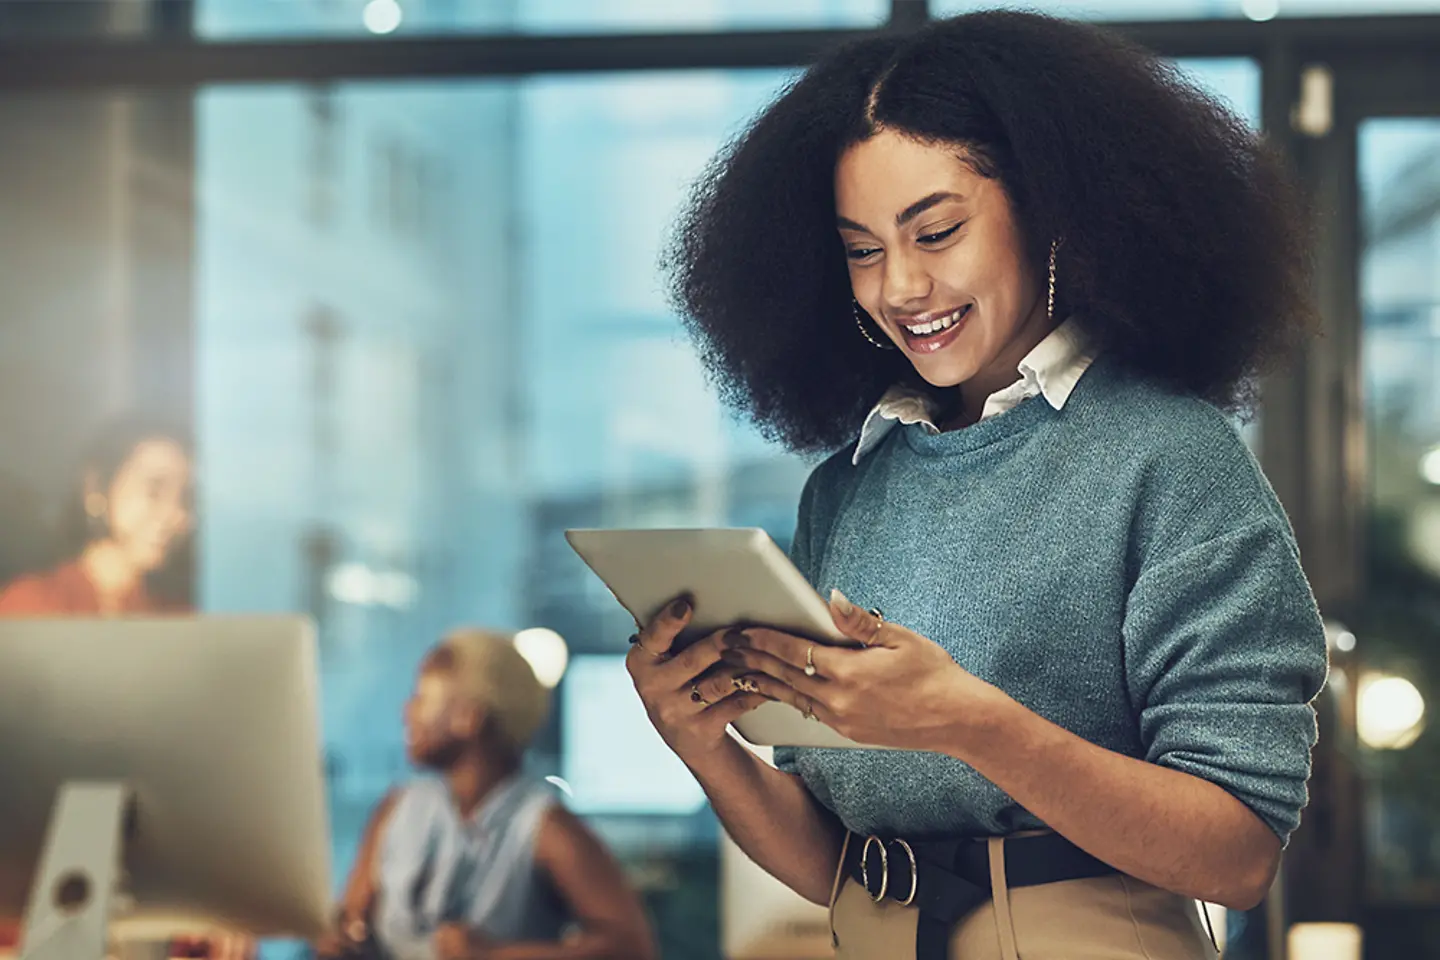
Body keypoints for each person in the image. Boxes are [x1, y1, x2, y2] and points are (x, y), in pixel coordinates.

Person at [629, 10, 1329, 960]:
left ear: (1051, 211)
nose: (902, 287)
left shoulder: (1168, 457)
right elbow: (836, 861)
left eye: (938, 231)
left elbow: (1238, 852)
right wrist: (701, 740)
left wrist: (968, 722)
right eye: (863, 250)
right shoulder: (848, 489)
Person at [316, 628, 655, 960]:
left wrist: (496, 955)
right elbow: (351, 921)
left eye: (422, 698)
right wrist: (340, 941)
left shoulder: (546, 827)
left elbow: (631, 948)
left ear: (469, 717)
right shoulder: (396, 809)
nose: (408, 712)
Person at [0, 418, 193, 615]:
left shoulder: (178, 614)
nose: (177, 515)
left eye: (187, 498)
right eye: (154, 490)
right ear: (96, 489)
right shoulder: (28, 604)